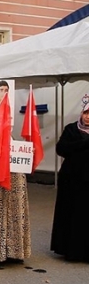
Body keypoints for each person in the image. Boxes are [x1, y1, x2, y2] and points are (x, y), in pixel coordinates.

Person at [50, 102, 89, 262]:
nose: (88, 117)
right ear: (81, 114)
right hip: (71, 181)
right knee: (71, 215)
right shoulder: (71, 129)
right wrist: (84, 143)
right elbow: (61, 149)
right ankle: (69, 250)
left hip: (88, 183)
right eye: (86, 113)